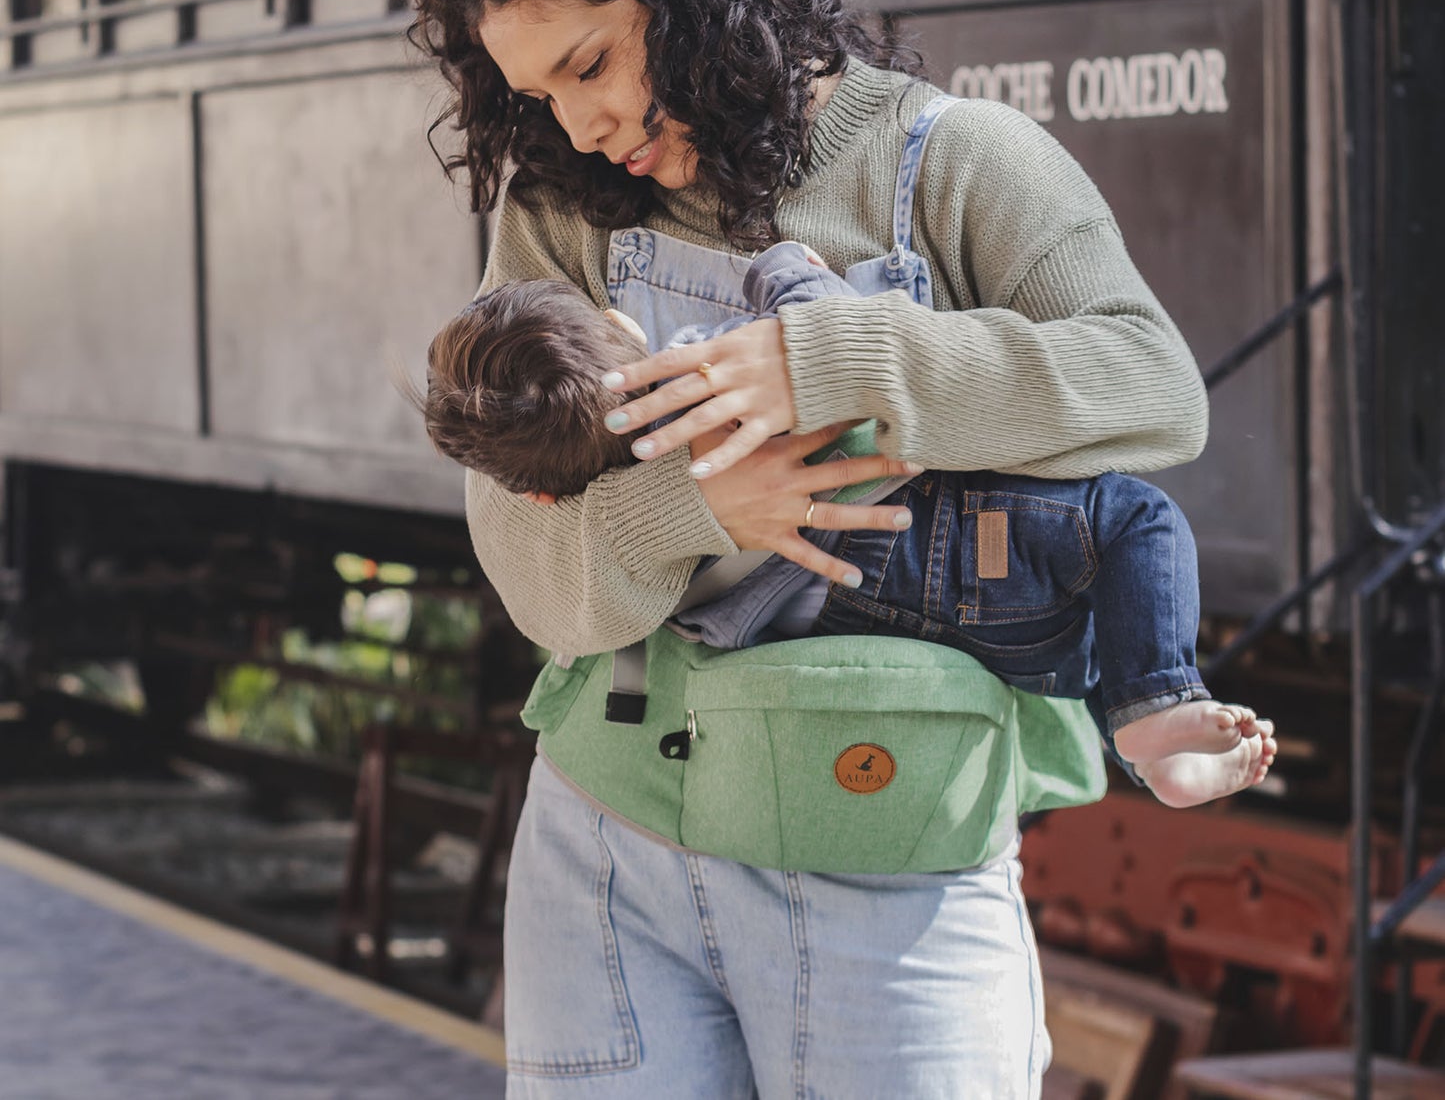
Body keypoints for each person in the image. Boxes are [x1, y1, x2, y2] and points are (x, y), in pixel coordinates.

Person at [395, 0, 1269, 1098]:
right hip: (604, 850)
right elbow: (522, 555)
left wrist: (833, 361)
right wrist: (697, 504)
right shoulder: (561, 211)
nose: (576, 127)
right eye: (535, 94)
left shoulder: (956, 161)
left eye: (589, 66)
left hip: (889, 855)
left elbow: (1149, 389)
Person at [416, 245, 1273, 809]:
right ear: (623, 331)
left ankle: (1135, 725)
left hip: (904, 628)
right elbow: (828, 323)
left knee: (1078, 644)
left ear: (536, 496)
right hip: (948, 533)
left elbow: (643, 625)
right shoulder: (718, 369)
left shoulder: (631, 550)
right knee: (1131, 520)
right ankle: (1154, 706)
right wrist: (782, 267)